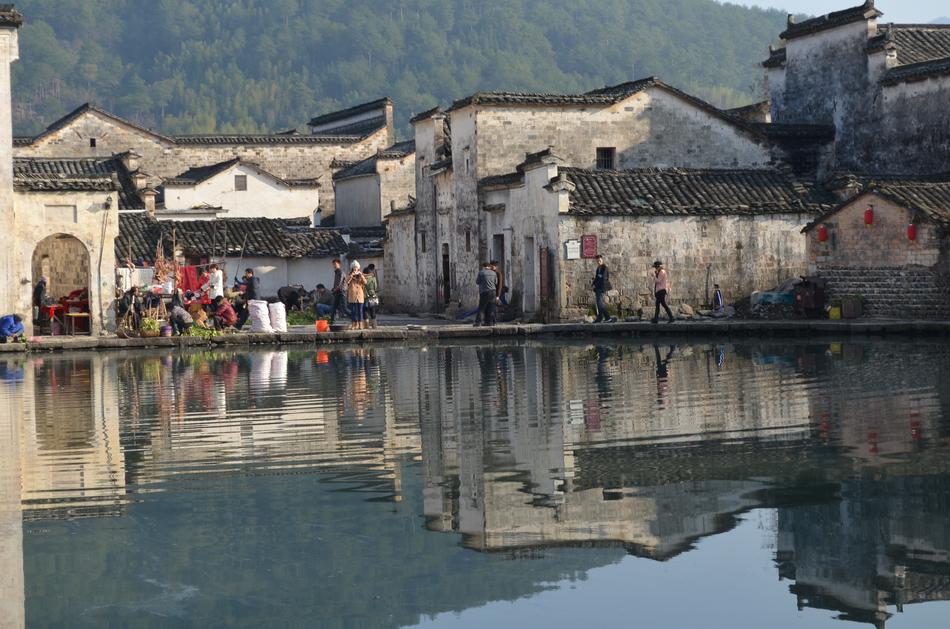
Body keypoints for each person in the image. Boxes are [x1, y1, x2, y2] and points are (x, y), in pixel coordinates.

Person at [591, 255, 615, 323]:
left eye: (600, 261)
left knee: (600, 303)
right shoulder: (598, 268)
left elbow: (603, 279)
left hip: (602, 287)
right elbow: (597, 278)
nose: (598, 262)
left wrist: (595, 285)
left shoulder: (604, 268)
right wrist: (593, 284)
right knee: (599, 303)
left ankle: (607, 318)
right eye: (597, 261)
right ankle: (600, 318)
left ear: (602, 260)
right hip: (598, 287)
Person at [475, 262, 498, 326]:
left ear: (483, 266)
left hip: (484, 292)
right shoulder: (494, 273)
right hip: (493, 292)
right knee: (491, 307)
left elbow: (477, 282)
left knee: (482, 308)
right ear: (489, 266)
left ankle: (478, 322)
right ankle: (491, 322)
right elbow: (496, 282)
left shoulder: (481, 273)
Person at [346, 260, 367, 330]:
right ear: (352, 268)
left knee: (360, 311)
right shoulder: (350, 275)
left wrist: (361, 276)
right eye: (354, 267)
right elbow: (346, 281)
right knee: (353, 311)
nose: (355, 269)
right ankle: (354, 324)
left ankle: (360, 324)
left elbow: (365, 282)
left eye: (356, 267)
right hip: (352, 295)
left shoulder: (360, 275)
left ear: (358, 268)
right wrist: (351, 275)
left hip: (360, 296)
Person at [329, 259, 346, 325]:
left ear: (339, 264)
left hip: (341, 292)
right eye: (333, 264)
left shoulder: (341, 272)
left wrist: (334, 290)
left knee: (345, 309)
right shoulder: (336, 272)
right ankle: (332, 322)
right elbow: (336, 284)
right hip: (337, 292)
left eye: (335, 264)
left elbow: (339, 283)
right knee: (333, 308)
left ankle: (355, 319)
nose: (334, 266)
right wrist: (333, 289)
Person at [363, 264, 380, 329]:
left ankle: (366, 325)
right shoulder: (373, 279)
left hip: (365, 296)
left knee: (365, 310)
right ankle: (374, 325)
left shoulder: (363, 279)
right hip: (372, 296)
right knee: (372, 310)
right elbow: (376, 287)